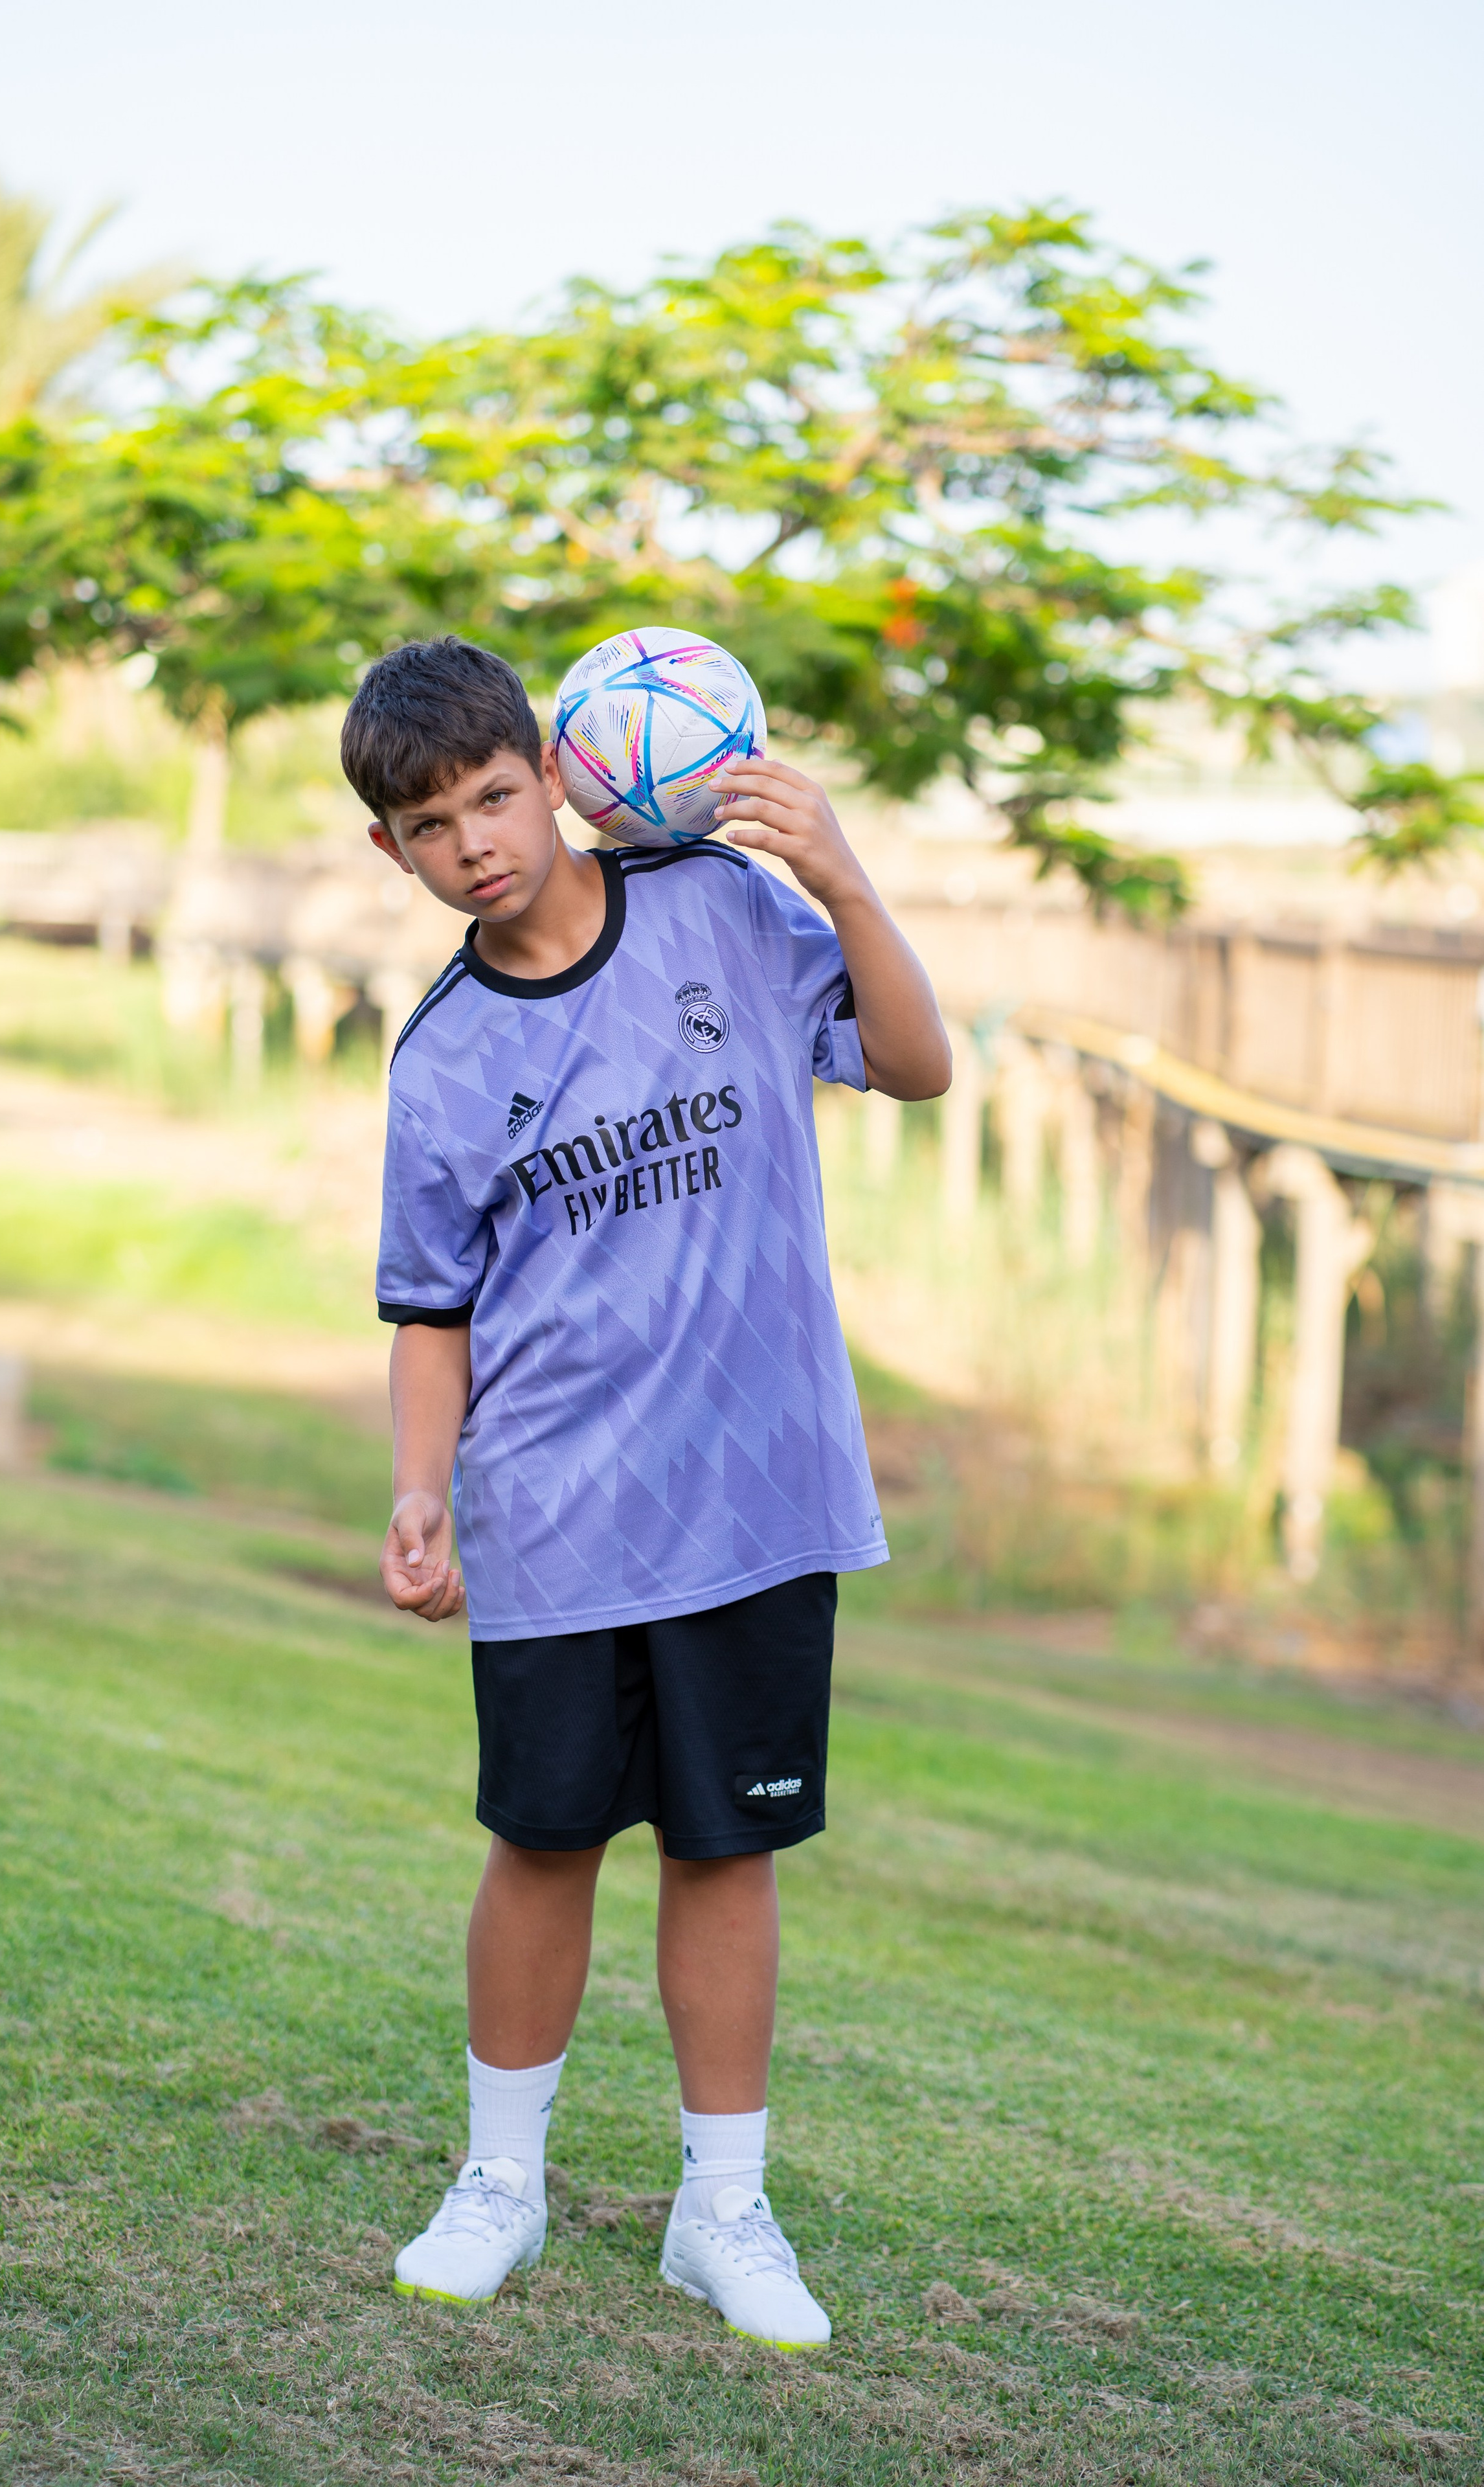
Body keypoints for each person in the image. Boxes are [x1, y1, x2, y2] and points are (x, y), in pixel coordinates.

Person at [341, 636, 950, 2349]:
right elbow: (429, 1312)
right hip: (552, 1506)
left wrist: (838, 871)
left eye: (491, 794)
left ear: (556, 774)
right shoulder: (446, 1059)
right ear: (391, 855)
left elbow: (917, 1066)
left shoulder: (722, 912)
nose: (474, 839)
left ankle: (724, 2213)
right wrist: (420, 1490)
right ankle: (499, 2187)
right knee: (541, 1844)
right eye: (429, 823)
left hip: (757, 1496)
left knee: (724, 1849)